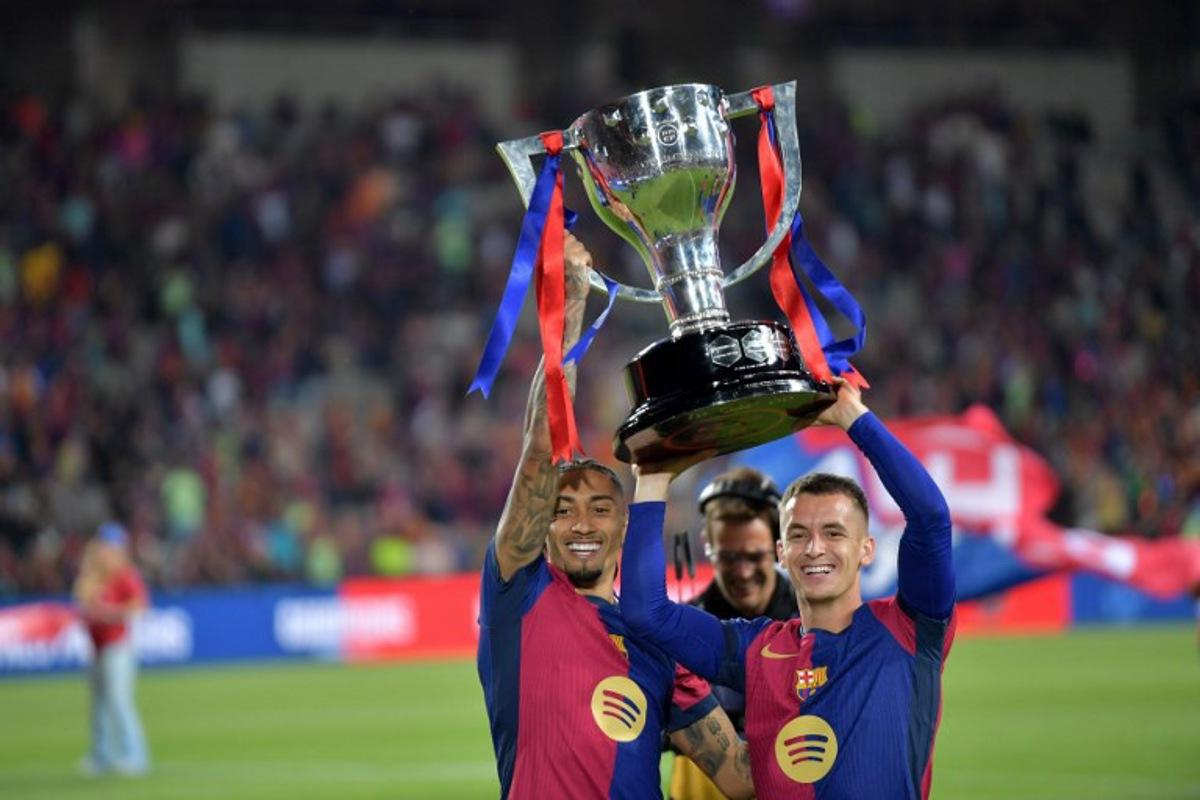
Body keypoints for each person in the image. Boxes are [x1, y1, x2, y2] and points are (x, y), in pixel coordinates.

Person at [476, 234, 753, 799]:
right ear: (542, 527)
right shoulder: (518, 593)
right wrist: (572, 298)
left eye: (600, 509)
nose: (582, 524)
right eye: (563, 510)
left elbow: (741, 779)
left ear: (624, 524)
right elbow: (542, 447)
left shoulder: (657, 641)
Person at [621, 378, 956, 799]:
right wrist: (652, 481)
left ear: (866, 549)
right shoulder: (755, 649)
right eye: (798, 535)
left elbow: (930, 519)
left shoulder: (909, 630)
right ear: (781, 551)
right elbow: (646, 612)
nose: (814, 548)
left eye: (834, 532)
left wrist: (851, 416)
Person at [670, 468, 798, 800]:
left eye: (755, 556)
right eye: (728, 558)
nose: (743, 572)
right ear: (707, 546)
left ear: (779, 547)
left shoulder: (813, 623)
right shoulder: (680, 633)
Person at [73, 522, 151, 776]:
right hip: (96, 645)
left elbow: (140, 606)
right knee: (98, 703)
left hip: (117, 644)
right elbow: (82, 604)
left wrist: (112, 612)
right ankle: (102, 756)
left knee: (119, 700)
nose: (106, 552)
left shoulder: (125, 575)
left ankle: (135, 755)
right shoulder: (91, 575)